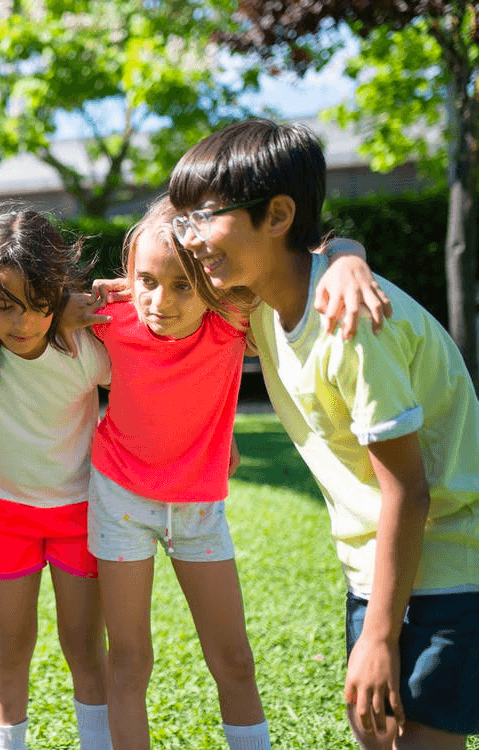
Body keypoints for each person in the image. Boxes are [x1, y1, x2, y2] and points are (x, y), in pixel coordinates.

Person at [168, 118, 479, 750]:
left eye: (203, 217)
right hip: (372, 573)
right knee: (375, 736)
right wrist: (346, 249)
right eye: (183, 220)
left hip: (448, 569)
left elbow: (410, 493)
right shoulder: (260, 306)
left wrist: (382, 637)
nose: (189, 240)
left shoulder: (353, 324)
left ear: (278, 214)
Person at [87, 196, 273, 750]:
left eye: (182, 285)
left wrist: (349, 250)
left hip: (199, 510)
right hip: (120, 501)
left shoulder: (233, 320)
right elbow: (25, 302)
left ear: (212, 283)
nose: (158, 301)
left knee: (235, 661)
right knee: (129, 660)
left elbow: (294, 265)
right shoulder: (109, 316)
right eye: (145, 280)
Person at [0, 208, 112, 749]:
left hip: (79, 514)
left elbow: (153, 366)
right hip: (4, 516)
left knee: (83, 647)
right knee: (10, 646)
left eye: (38, 305)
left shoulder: (85, 347)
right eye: (3, 304)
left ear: (58, 292)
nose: (21, 322)